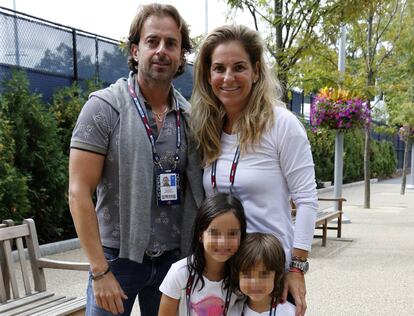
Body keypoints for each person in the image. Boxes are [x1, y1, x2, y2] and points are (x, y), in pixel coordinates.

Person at [68, 3, 203, 315]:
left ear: (181, 55)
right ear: (135, 49)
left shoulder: (190, 118)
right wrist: (99, 271)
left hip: (173, 261)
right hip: (117, 261)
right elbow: (78, 192)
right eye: (152, 41)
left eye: (171, 43)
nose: (161, 51)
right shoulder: (103, 108)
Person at [190, 25, 318, 316]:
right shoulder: (207, 130)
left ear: (256, 71)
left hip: (268, 276)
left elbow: (307, 201)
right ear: (208, 76)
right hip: (222, 275)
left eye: (239, 67)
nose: (228, 77)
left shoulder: (281, 125)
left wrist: (297, 268)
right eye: (219, 68)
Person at [158, 192, 247, 315]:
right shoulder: (180, 273)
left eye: (232, 234)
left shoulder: (243, 276)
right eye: (214, 233)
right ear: (200, 235)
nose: (223, 242)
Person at [230, 232, 295, 316]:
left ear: (276, 275)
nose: (255, 283)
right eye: (247, 274)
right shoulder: (232, 312)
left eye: (264, 274)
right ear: (237, 276)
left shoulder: (290, 312)